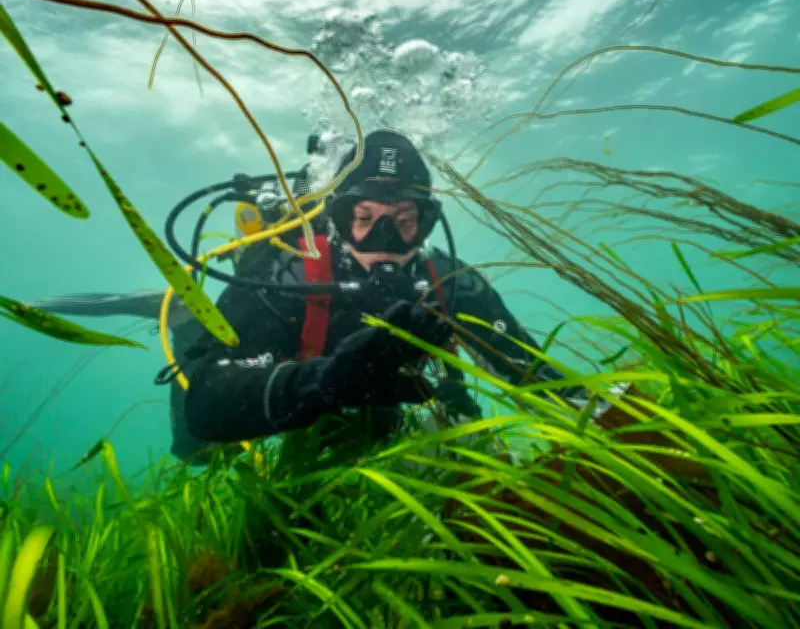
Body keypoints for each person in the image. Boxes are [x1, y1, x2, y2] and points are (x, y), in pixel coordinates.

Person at [31, 129, 622, 464]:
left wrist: (616, 416)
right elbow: (208, 405)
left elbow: (539, 375)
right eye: (363, 218)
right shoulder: (286, 274)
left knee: (386, 438)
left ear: (428, 221)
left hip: (361, 403)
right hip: (292, 367)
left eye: (407, 220)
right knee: (199, 455)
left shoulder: (451, 283)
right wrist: (324, 381)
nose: (387, 240)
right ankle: (187, 317)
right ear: (335, 220)